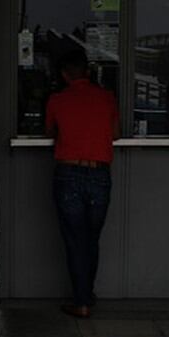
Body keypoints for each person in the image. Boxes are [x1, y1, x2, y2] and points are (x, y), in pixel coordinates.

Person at [45, 49, 120, 318]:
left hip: (68, 174)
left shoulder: (57, 100)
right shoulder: (107, 98)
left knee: (75, 240)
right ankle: (86, 293)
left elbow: (50, 132)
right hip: (100, 175)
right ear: (87, 71)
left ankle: (82, 301)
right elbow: (116, 133)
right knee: (91, 239)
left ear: (64, 75)